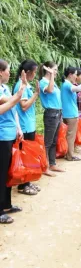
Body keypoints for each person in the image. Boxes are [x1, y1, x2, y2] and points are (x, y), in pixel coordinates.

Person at [0, 59, 27, 224]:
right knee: (1, 173)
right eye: (8, 70)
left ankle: (7, 204)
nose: (10, 73)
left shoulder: (5, 88)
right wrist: (19, 93)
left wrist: (18, 128)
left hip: (10, 134)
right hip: (1, 136)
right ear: (0, 72)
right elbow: (5, 106)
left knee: (8, 171)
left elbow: (13, 106)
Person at [13, 60, 40, 195]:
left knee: (29, 156)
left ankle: (27, 182)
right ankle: (22, 185)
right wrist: (36, 94)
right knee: (24, 156)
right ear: (28, 72)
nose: (35, 75)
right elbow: (23, 107)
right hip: (24, 127)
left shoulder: (26, 84)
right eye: (34, 72)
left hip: (29, 125)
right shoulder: (20, 85)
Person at [39, 61, 64, 176]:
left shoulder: (52, 81)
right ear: (48, 69)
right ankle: (45, 166)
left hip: (57, 113)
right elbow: (50, 91)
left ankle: (52, 163)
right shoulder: (43, 82)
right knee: (48, 142)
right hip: (50, 114)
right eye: (54, 69)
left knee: (54, 141)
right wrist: (52, 75)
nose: (56, 71)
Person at [61, 67, 81, 161]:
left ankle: (68, 153)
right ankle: (70, 155)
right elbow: (78, 88)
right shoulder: (67, 84)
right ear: (70, 74)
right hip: (71, 114)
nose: (76, 76)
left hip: (67, 113)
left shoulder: (65, 84)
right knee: (71, 136)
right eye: (75, 74)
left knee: (69, 135)